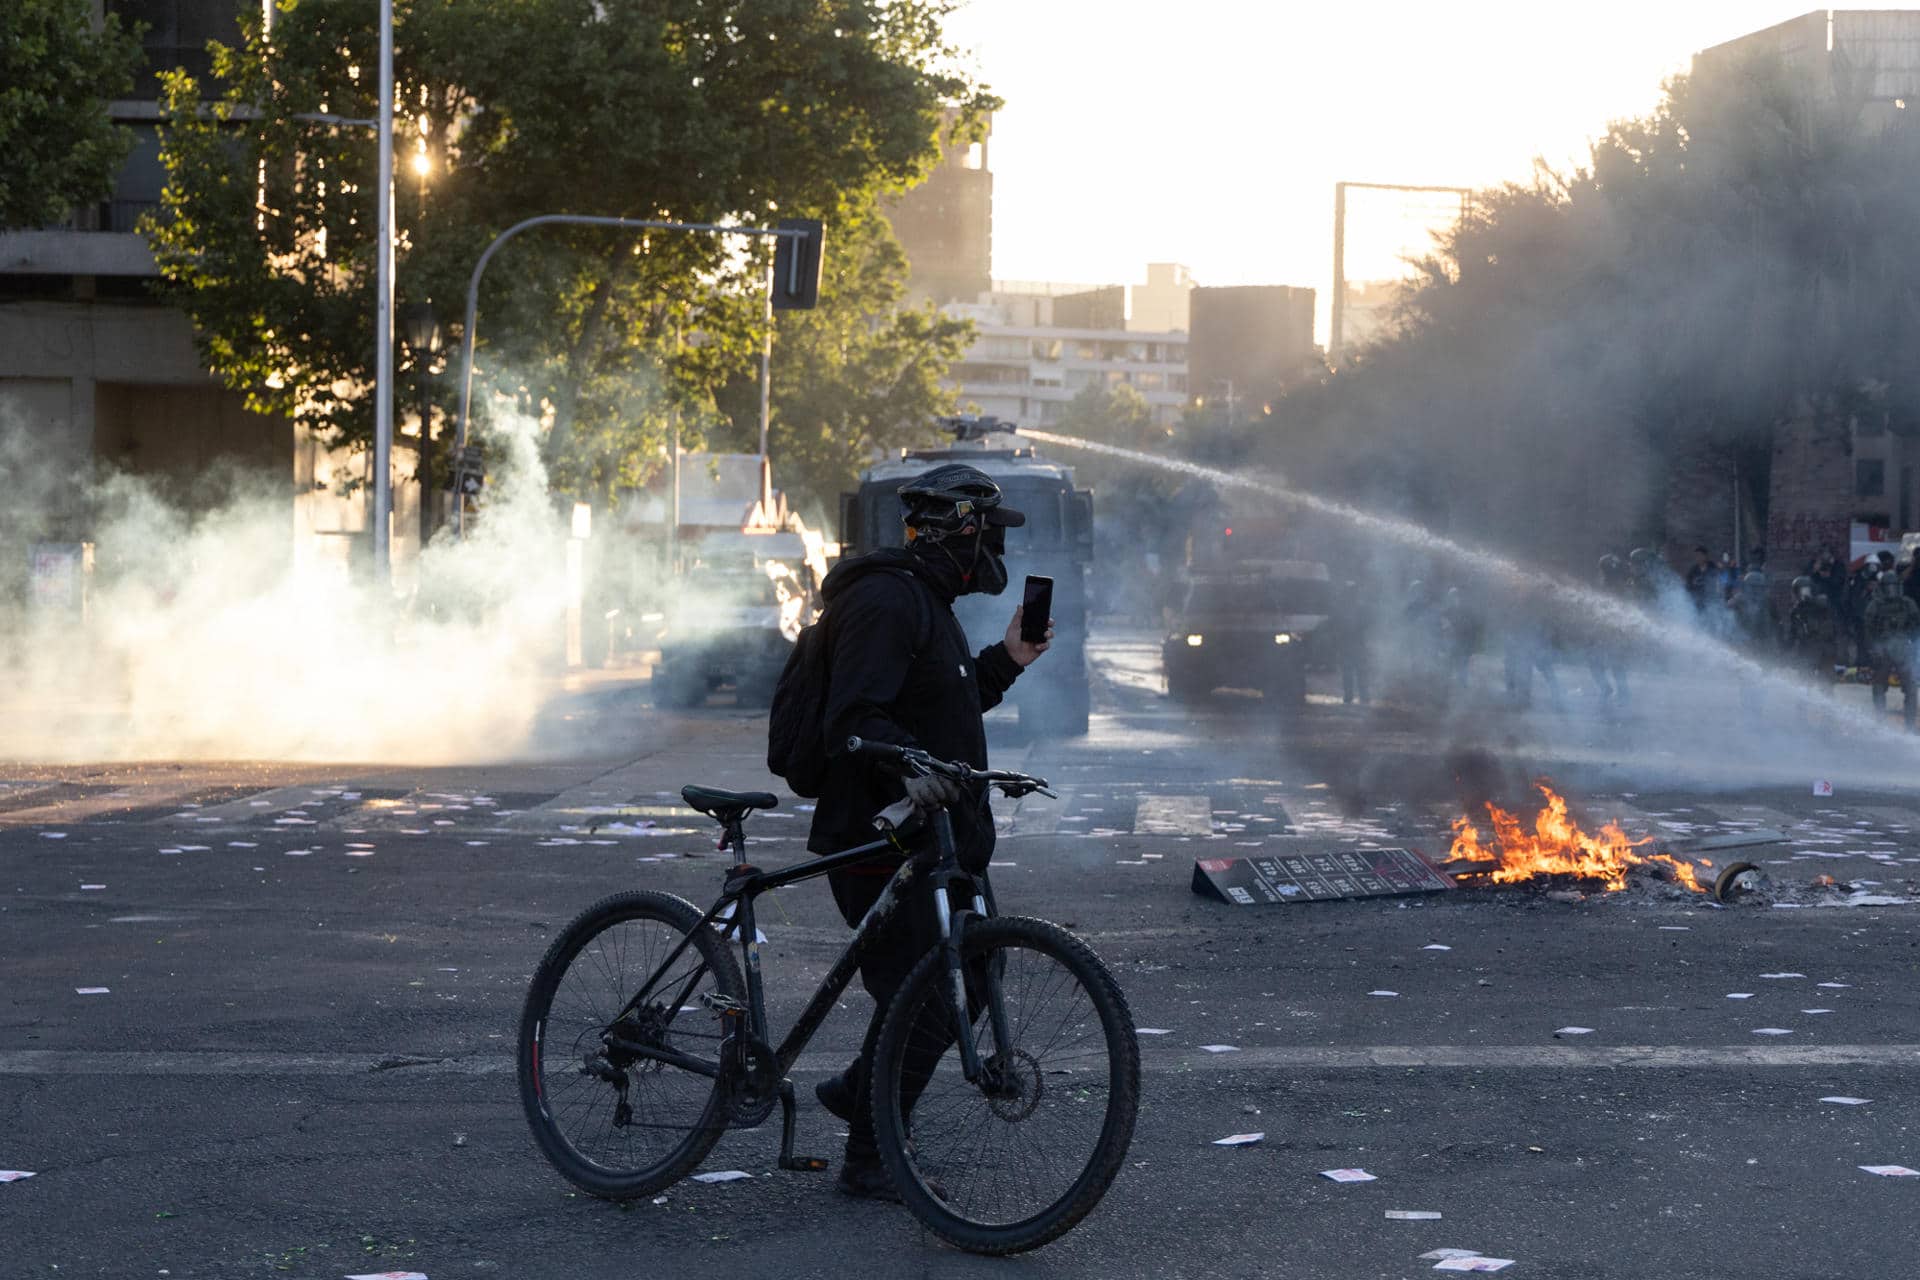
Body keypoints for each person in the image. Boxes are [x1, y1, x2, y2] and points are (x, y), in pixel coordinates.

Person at [805, 462, 1053, 1201]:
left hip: (933, 844)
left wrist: (1007, 663)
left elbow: (941, 708)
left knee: (965, 978)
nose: (994, 556)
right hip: (880, 841)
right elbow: (853, 718)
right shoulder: (886, 599)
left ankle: (861, 1091)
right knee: (933, 992)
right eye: (988, 535)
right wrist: (906, 772)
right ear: (962, 531)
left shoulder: (927, 602)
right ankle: (871, 1155)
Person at [1863, 571, 1920, 729]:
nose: (1891, 590)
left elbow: (1916, 624)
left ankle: (1910, 725)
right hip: (1883, 650)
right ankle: (1880, 722)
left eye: (1894, 587)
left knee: (1911, 687)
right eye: (1888, 587)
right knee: (1879, 686)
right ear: (1882, 588)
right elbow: (1868, 630)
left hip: (1903, 649)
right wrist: (1874, 649)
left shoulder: (1907, 603)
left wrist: (1911, 644)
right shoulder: (1875, 605)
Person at [1784, 575, 1840, 692]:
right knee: (1804, 682)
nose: (1804, 594)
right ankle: (1803, 708)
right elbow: (1793, 633)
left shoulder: (1821, 604)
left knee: (1826, 682)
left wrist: (1812, 601)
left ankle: (1828, 707)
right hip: (1807, 650)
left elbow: (1831, 621)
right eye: (1801, 591)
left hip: (1824, 649)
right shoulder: (1797, 611)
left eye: (1806, 590)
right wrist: (1785, 651)